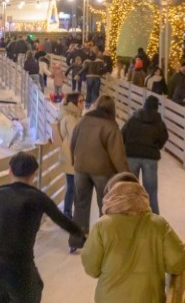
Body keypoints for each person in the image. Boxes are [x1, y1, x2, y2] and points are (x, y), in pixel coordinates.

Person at [0, 151, 84, 302]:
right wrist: (83, 237)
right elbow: (63, 221)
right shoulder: (38, 197)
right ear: (33, 175)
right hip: (21, 267)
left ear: (10, 171)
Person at [81, 172, 185, 302]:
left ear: (111, 196)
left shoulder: (102, 226)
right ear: (140, 193)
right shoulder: (158, 224)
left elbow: (91, 268)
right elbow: (177, 262)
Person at [68, 95, 129, 252]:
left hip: (81, 169)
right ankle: (103, 241)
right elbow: (117, 155)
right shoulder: (111, 126)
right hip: (102, 171)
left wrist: (74, 161)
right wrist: (126, 174)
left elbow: (73, 142)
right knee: (105, 205)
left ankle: (76, 239)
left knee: (80, 204)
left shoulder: (83, 121)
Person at [122, 95, 168, 214]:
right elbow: (164, 136)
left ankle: (130, 214)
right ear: (156, 107)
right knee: (151, 190)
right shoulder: (158, 122)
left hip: (132, 155)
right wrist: (157, 146)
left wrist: (128, 145)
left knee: (131, 188)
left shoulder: (133, 118)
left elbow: (123, 133)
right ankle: (154, 216)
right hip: (150, 158)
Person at [52, 92, 84, 218]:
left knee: (73, 186)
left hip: (71, 155)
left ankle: (69, 211)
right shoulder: (70, 118)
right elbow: (76, 137)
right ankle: (68, 212)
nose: (83, 103)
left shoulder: (74, 116)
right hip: (71, 156)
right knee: (72, 186)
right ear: (74, 103)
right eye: (80, 101)